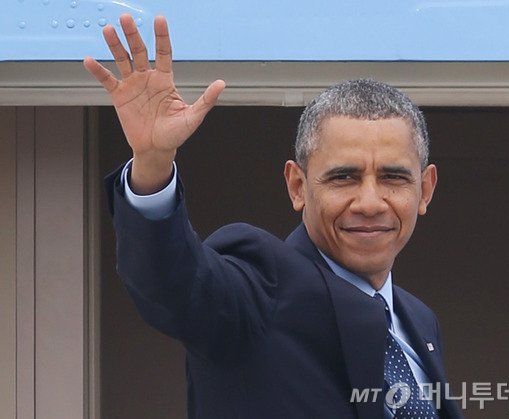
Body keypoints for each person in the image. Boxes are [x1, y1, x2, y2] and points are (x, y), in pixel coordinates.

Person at [85, 14, 463, 419]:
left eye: (392, 177)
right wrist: (153, 162)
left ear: (425, 189)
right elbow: (172, 284)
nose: (369, 203)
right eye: (344, 177)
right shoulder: (261, 287)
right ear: (297, 186)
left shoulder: (419, 320)